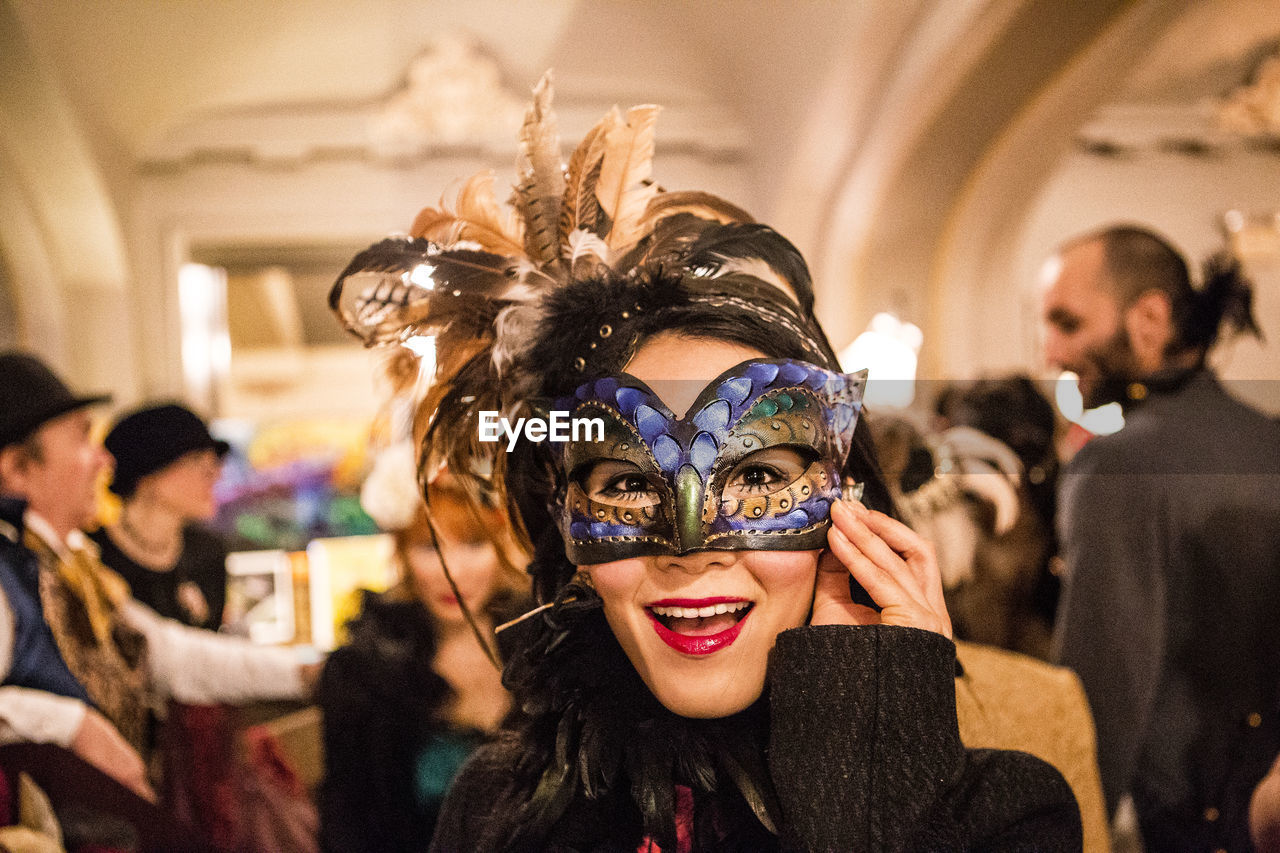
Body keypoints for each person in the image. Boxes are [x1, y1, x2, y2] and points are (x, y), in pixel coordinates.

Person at [331, 77, 1082, 851]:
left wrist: (873, 774)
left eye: (757, 475)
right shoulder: (495, 812)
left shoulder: (1008, 817)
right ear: (568, 527)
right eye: (626, 483)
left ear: (847, 508)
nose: (690, 547)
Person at [1040, 225, 1280, 851]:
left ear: (1149, 317)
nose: (1050, 352)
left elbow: (1096, 703)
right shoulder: (1273, 439)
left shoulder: (1119, 466)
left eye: (1068, 324)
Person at [0, 352, 319, 815]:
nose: (103, 459)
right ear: (17, 469)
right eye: (82, 437)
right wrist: (73, 725)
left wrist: (304, 674)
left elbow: (165, 653)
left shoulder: (68, 565)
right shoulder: (9, 574)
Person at [318, 442, 527, 852]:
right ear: (402, 553)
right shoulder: (364, 671)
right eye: (430, 547)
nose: (452, 571)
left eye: (473, 544)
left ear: (502, 549)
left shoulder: (546, 651)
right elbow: (346, 823)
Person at [89, 403, 230, 628]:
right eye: (197, 461)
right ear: (147, 476)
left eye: (214, 462)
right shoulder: (91, 556)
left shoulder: (207, 552)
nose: (214, 474)